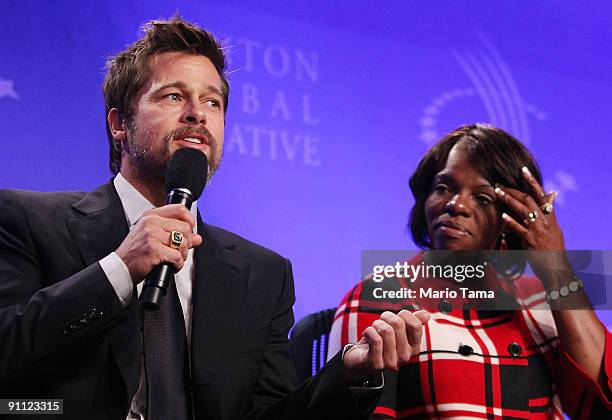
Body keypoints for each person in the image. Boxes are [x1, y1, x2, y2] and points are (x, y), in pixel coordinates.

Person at [0, 16, 431, 420]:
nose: (198, 114)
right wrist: (119, 268)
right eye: (173, 96)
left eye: (213, 101)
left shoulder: (262, 274)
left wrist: (350, 375)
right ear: (119, 123)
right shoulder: (27, 220)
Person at [329, 124, 611, 418]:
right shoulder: (379, 295)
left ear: (511, 220)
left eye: (483, 198)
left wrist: (556, 267)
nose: (456, 204)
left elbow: (601, 404)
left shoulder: (540, 302)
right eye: (443, 188)